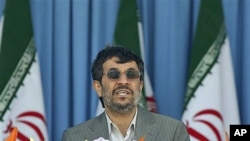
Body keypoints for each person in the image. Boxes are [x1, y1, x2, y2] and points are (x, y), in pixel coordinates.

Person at [62, 45, 190, 141]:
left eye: (131, 74)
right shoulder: (74, 137)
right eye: (114, 74)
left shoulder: (173, 132)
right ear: (98, 87)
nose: (123, 81)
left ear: (140, 85)